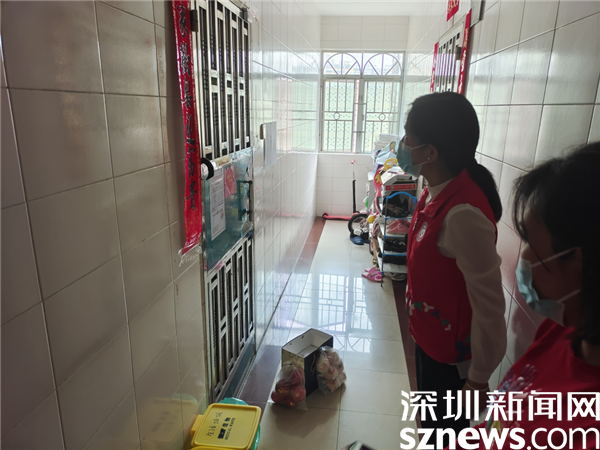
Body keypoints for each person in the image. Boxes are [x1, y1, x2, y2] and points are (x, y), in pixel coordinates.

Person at [450, 142, 600, 450]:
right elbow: (497, 433)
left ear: (579, 263)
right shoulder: (561, 334)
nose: (523, 257)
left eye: (531, 242)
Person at [399, 92, 507, 443]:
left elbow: (490, 307)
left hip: (453, 365)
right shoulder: (435, 191)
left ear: (430, 153)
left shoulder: (462, 214)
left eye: (408, 137)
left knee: (444, 439)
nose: (402, 145)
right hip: (430, 342)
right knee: (432, 432)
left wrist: (478, 379)